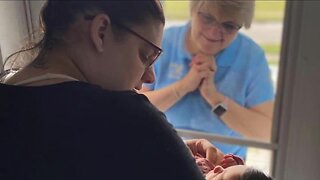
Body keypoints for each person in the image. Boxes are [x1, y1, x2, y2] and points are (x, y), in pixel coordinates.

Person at [0, 1, 215, 179]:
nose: (149, 77)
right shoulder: (128, 118)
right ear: (101, 31)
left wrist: (159, 152)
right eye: (146, 56)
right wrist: (160, 148)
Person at [141, 0, 275, 158]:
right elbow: (136, 107)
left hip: (223, 165)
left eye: (229, 26)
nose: (214, 32)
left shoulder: (251, 57)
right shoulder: (164, 42)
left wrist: (214, 98)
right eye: (207, 18)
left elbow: (266, 131)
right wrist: (182, 87)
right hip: (165, 154)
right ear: (192, 10)